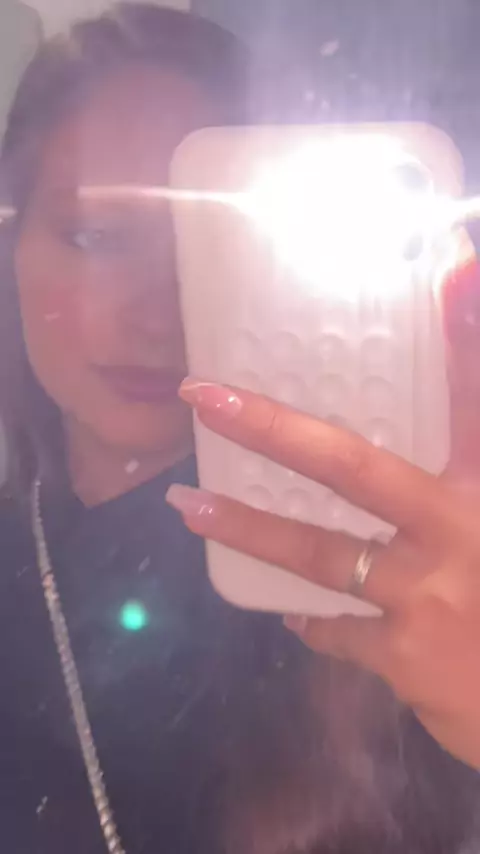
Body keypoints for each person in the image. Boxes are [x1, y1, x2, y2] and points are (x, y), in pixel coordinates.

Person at [0, 3, 479, 854]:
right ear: (13, 249)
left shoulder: (411, 582)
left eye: (209, 243)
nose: (160, 315)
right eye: (100, 235)